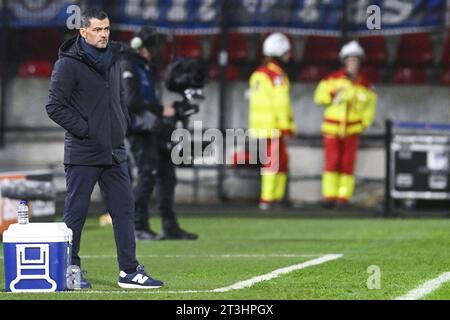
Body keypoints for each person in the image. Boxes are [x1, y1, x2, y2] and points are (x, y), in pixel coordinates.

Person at [45, 8, 163, 289]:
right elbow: (54, 107)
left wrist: (121, 123)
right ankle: (70, 269)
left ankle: (129, 271)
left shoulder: (114, 59)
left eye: (107, 29)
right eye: (97, 30)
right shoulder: (67, 64)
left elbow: (119, 99)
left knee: (124, 210)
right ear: (83, 32)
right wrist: (87, 131)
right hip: (84, 151)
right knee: (76, 213)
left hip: (114, 150)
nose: (103, 34)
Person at [120, 27, 198, 240]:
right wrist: (160, 109)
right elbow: (130, 101)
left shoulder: (146, 67)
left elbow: (147, 100)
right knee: (147, 175)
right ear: (141, 46)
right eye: (153, 46)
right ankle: (137, 226)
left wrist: (166, 109)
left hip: (153, 125)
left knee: (166, 174)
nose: (156, 51)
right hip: (138, 129)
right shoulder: (127, 64)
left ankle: (169, 224)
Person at [314, 40, 377, 206]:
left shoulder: (365, 85)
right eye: (350, 60)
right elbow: (318, 97)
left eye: (355, 60)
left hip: (352, 130)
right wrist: (332, 95)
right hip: (332, 128)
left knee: (348, 162)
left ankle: (343, 197)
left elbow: (370, 107)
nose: (353, 64)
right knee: (332, 161)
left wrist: (364, 123)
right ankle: (329, 195)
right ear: (344, 61)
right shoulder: (332, 80)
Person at [248, 33, 296, 210]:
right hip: (274, 125)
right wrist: (287, 125)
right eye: (286, 52)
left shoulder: (259, 74)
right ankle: (269, 198)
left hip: (264, 125)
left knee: (279, 159)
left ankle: (274, 197)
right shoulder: (275, 76)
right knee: (274, 160)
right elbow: (281, 103)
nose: (288, 55)